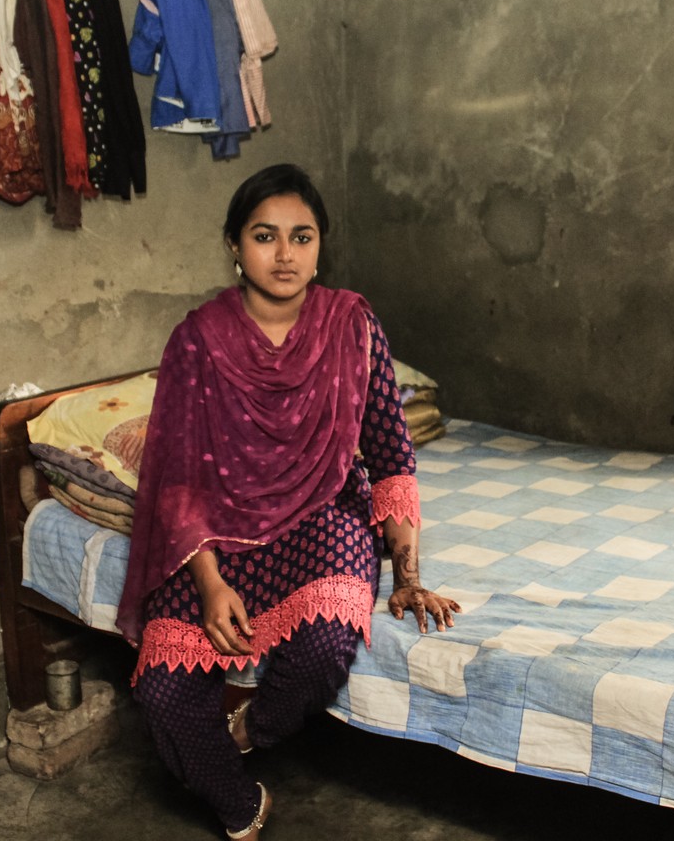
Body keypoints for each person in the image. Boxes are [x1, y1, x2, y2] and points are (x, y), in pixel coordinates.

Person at [116, 163, 461, 839]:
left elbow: (391, 451)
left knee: (327, 640)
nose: (284, 254)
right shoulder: (197, 340)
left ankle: (253, 727)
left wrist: (410, 577)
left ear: (320, 246)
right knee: (161, 696)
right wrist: (210, 585)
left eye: (301, 237)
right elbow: (180, 479)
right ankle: (240, 800)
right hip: (215, 531)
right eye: (264, 236)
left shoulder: (352, 324)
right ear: (234, 246)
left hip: (322, 515)